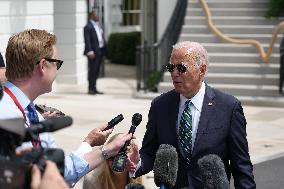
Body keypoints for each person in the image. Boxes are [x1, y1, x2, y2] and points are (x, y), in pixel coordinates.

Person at [0, 29, 133, 187]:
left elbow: (61, 171)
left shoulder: (32, 113)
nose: (57, 70)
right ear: (43, 66)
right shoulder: (5, 114)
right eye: (57, 63)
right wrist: (106, 150)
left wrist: (103, 148)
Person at [129, 41, 256, 188]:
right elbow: (149, 153)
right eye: (171, 67)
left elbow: (241, 166)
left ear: (202, 70)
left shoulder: (228, 107)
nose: (174, 73)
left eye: (181, 68)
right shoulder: (160, 105)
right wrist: (136, 162)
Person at [83, 10, 106, 95]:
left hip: (100, 51)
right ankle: (90, 89)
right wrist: (90, 51)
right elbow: (87, 40)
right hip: (93, 53)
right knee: (92, 71)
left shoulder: (98, 25)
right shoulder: (87, 27)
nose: (98, 16)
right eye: (96, 15)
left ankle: (94, 88)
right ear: (91, 16)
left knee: (97, 71)